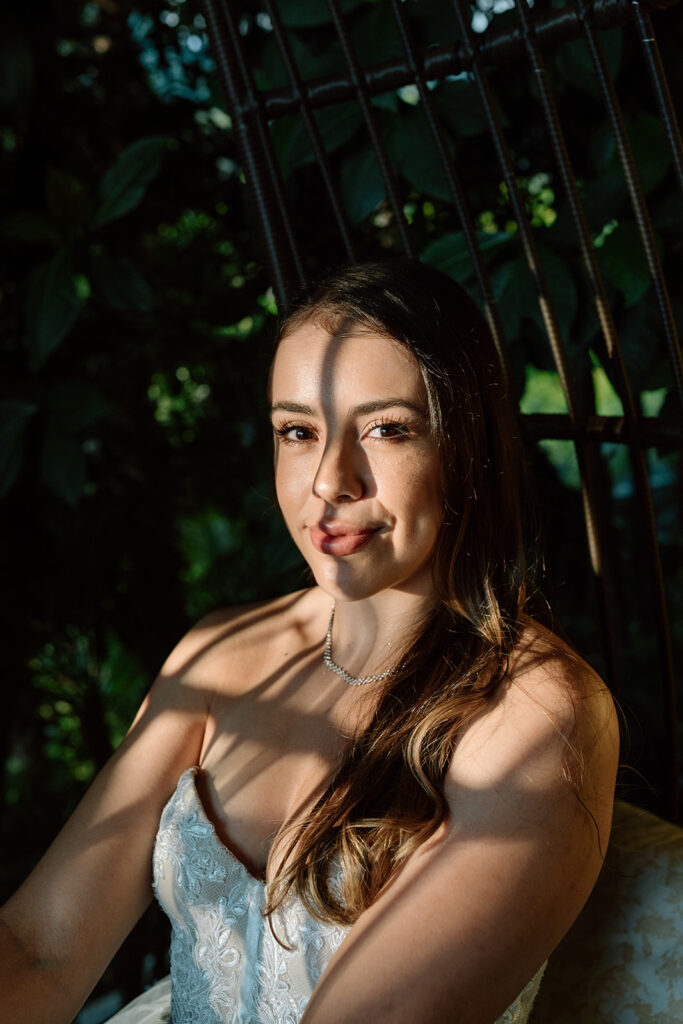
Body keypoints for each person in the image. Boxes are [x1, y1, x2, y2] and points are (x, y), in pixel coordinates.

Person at [0, 258, 619, 1024]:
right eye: (298, 431)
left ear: (466, 448)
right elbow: (41, 949)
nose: (330, 479)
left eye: (386, 430)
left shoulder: (530, 712)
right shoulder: (221, 656)